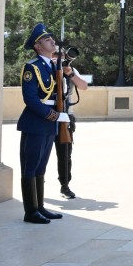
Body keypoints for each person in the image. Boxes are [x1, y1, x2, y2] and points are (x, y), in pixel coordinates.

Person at [16, 23, 72, 224]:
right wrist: (54, 116)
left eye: (51, 39)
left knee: (41, 167)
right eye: (47, 40)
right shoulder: (32, 67)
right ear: (38, 46)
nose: (52, 41)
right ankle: (30, 211)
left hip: (50, 124)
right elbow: (30, 99)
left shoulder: (54, 66)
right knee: (30, 168)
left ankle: (39, 207)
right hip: (35, 123)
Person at [54, 59, 89, 199]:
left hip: (66, 117)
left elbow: (84, 86)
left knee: (65, 155)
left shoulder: (70, 70)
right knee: (40, 154)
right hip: (46, 117)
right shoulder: (43, 68)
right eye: (56, 55)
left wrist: (70, 73)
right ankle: (38, 183)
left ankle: (65, 185)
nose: (59, 59)